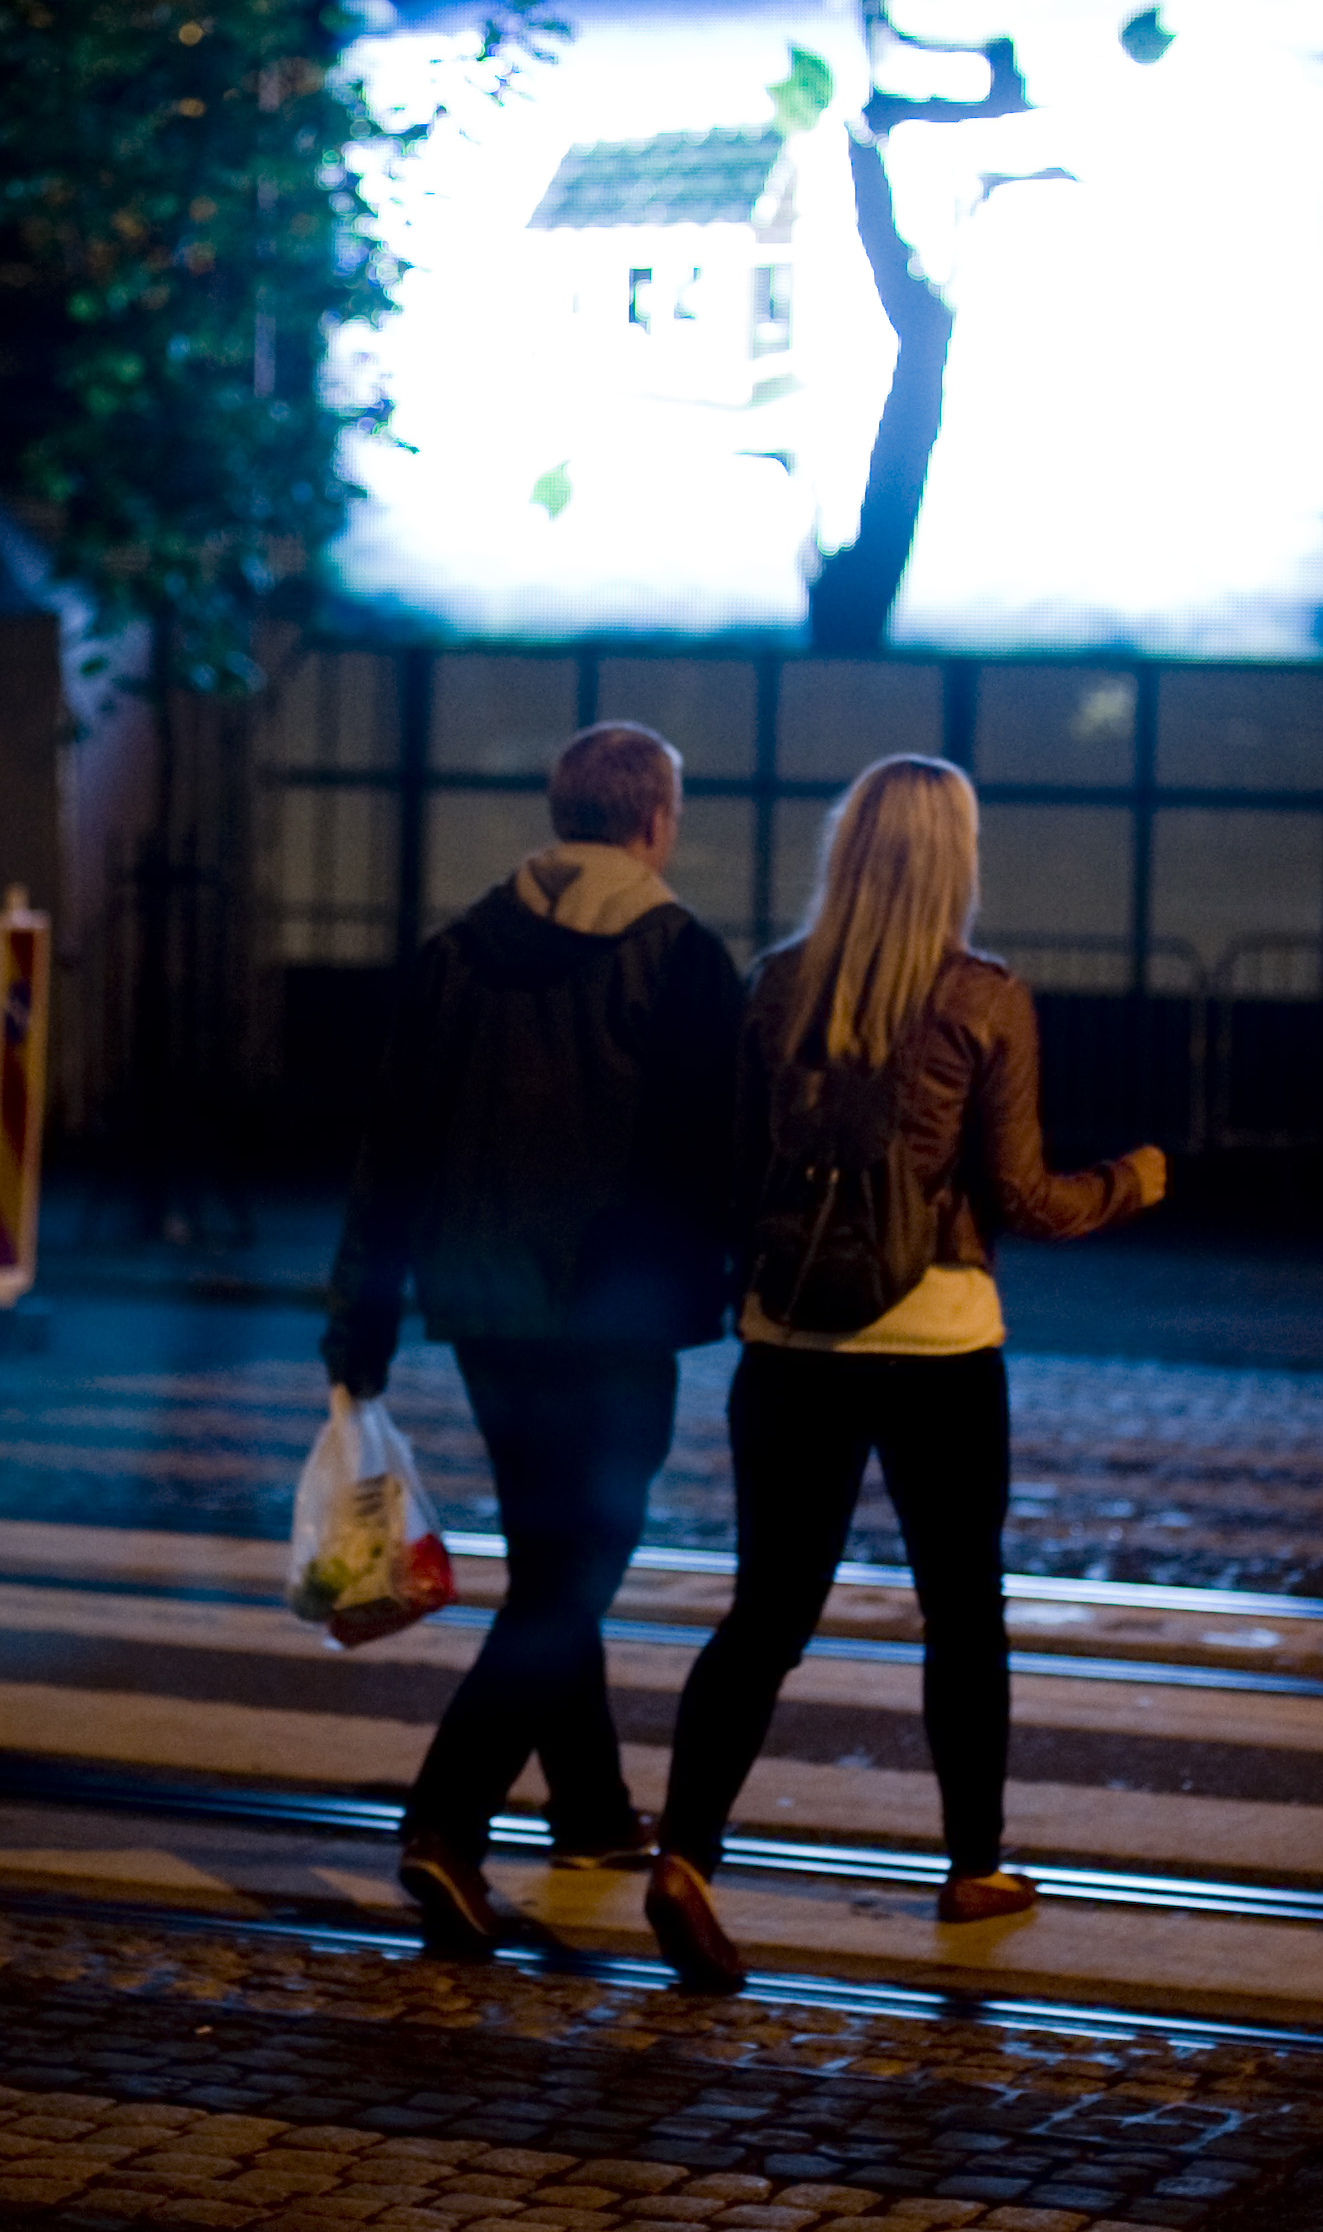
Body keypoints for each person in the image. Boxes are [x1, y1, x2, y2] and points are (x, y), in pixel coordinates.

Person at [644, 753, 1166, 1990]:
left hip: (789, 1342)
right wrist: (1133, 1180)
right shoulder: (985, 998)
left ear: (847, 848)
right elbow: (1024, 1195)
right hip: (938, 1339)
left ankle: (684, 1854)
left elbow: (735, 1175)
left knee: (766, 1612)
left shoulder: (775, 985)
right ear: (954, 858)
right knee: (961, 1606)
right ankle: (973, 1863)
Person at [322, 720, 744, 1951]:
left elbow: (391, 1143)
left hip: (485, 1310)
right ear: (653, 820)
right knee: (571, 1575)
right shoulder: (680, 955)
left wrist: (362, 1313)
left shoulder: (457, 950)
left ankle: (592, 1809)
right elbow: (716, 1151)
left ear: (563, 813)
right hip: (615, 1320)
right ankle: (444, 1821)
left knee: (551, 1558)